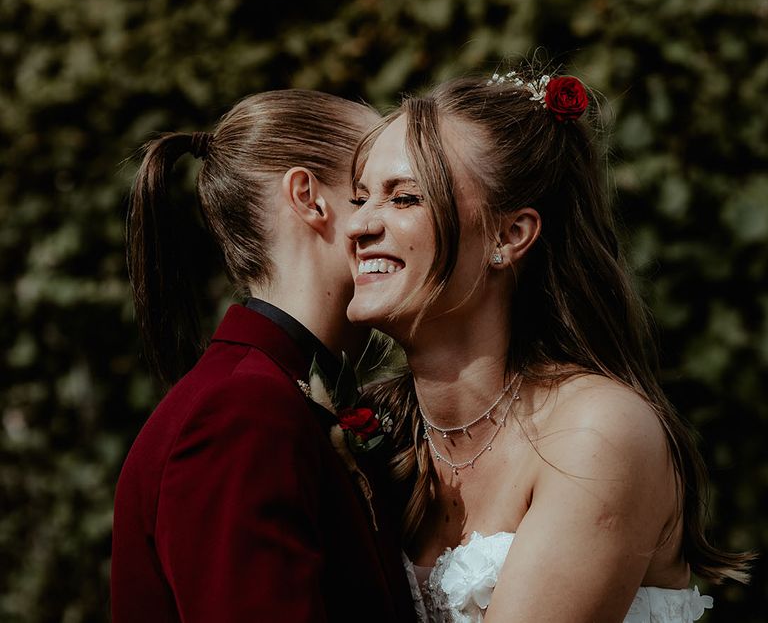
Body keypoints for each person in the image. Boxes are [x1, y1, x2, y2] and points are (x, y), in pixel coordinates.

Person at [344, 70, 752, 623]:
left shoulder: (597, 431)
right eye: (360, 198)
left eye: (405, 198)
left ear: (509, 236)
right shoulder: (376, 433)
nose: (360, 225)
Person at [111, 89, 417, 622]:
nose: (390, 218)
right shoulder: (242, 412)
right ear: (309, 198)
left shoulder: (280, 392)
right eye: (369, 193)